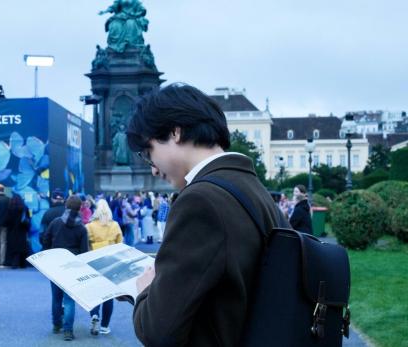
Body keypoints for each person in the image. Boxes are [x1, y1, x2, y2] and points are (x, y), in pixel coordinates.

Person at [126, 83, 285, 346]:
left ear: (175, 132)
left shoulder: (200, 201)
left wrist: (144, 292)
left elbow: (158, 331)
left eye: (148, 152)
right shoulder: (250, 188)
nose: (153, 170)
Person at [41, 195, 88, 341]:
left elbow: (45, 240)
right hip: (72, 266)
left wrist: (50, 254)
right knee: (69, 300)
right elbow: (84, 252)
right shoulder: (81, 228)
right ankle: (68, 331)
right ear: (80, 208)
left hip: (55, 264)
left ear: (66, 206)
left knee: (56, 297)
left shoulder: (55, 223)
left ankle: (56, 325)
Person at [85, 199, 123, 336]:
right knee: (108, 295)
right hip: (111, 260)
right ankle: (105, 326)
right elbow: (120, 244)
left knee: (94, 293)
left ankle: (94, 315)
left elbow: (86, 245)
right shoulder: (115, 225)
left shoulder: (89, 226)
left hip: (94, 260)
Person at [4, 193, 30, 268]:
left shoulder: (9, 209)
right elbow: (28, 219)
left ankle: (14, 264)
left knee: (13, 248)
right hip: (22, 230)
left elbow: (6, 220)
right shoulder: (24, 208)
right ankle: (23, 264)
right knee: (22, 248)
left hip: (12, 231)